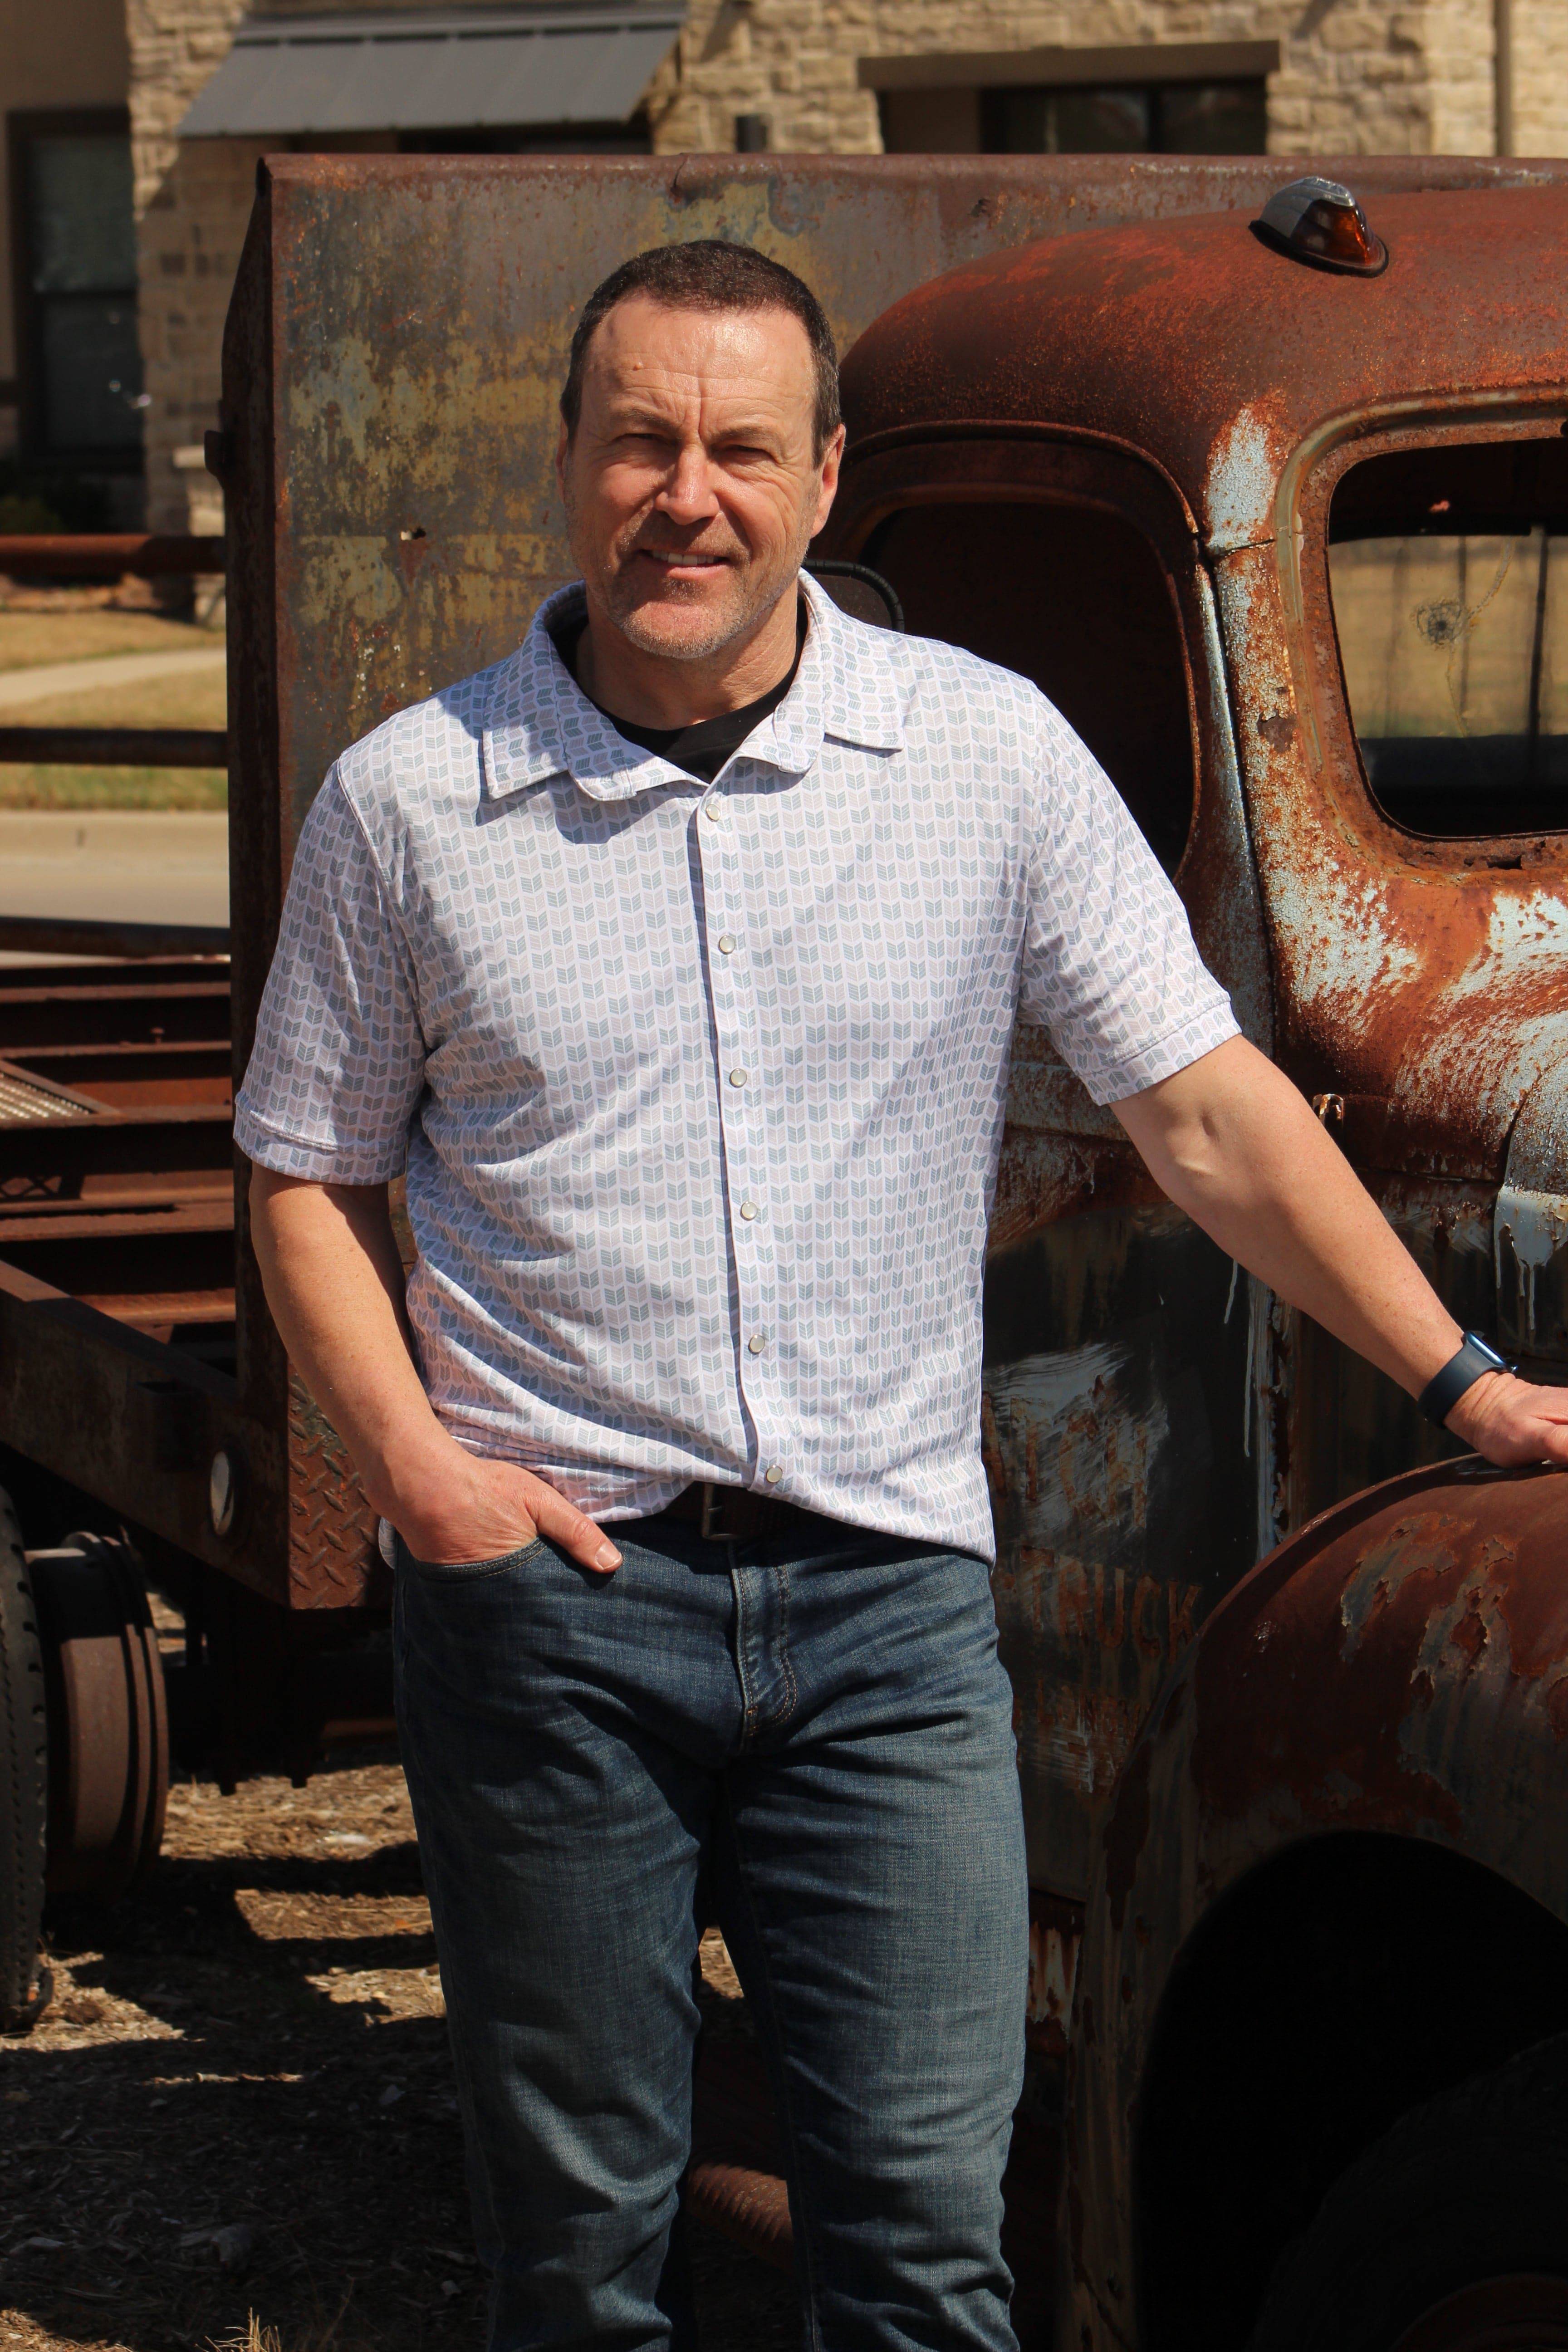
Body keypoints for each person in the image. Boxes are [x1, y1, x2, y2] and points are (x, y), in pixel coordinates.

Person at [236, 238, 1568, 2352]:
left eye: (740, 449)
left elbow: (1205, 1107)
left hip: (890, 1615)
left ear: (827, 477)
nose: (690, 495)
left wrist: (1463, 1374)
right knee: (580, 2254)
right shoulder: (413, 800)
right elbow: (306, 1173)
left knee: (932, 2247)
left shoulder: (982, 754)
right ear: (567, 462)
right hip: (558, 1607)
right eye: (642, 442)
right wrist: (419, 1476)